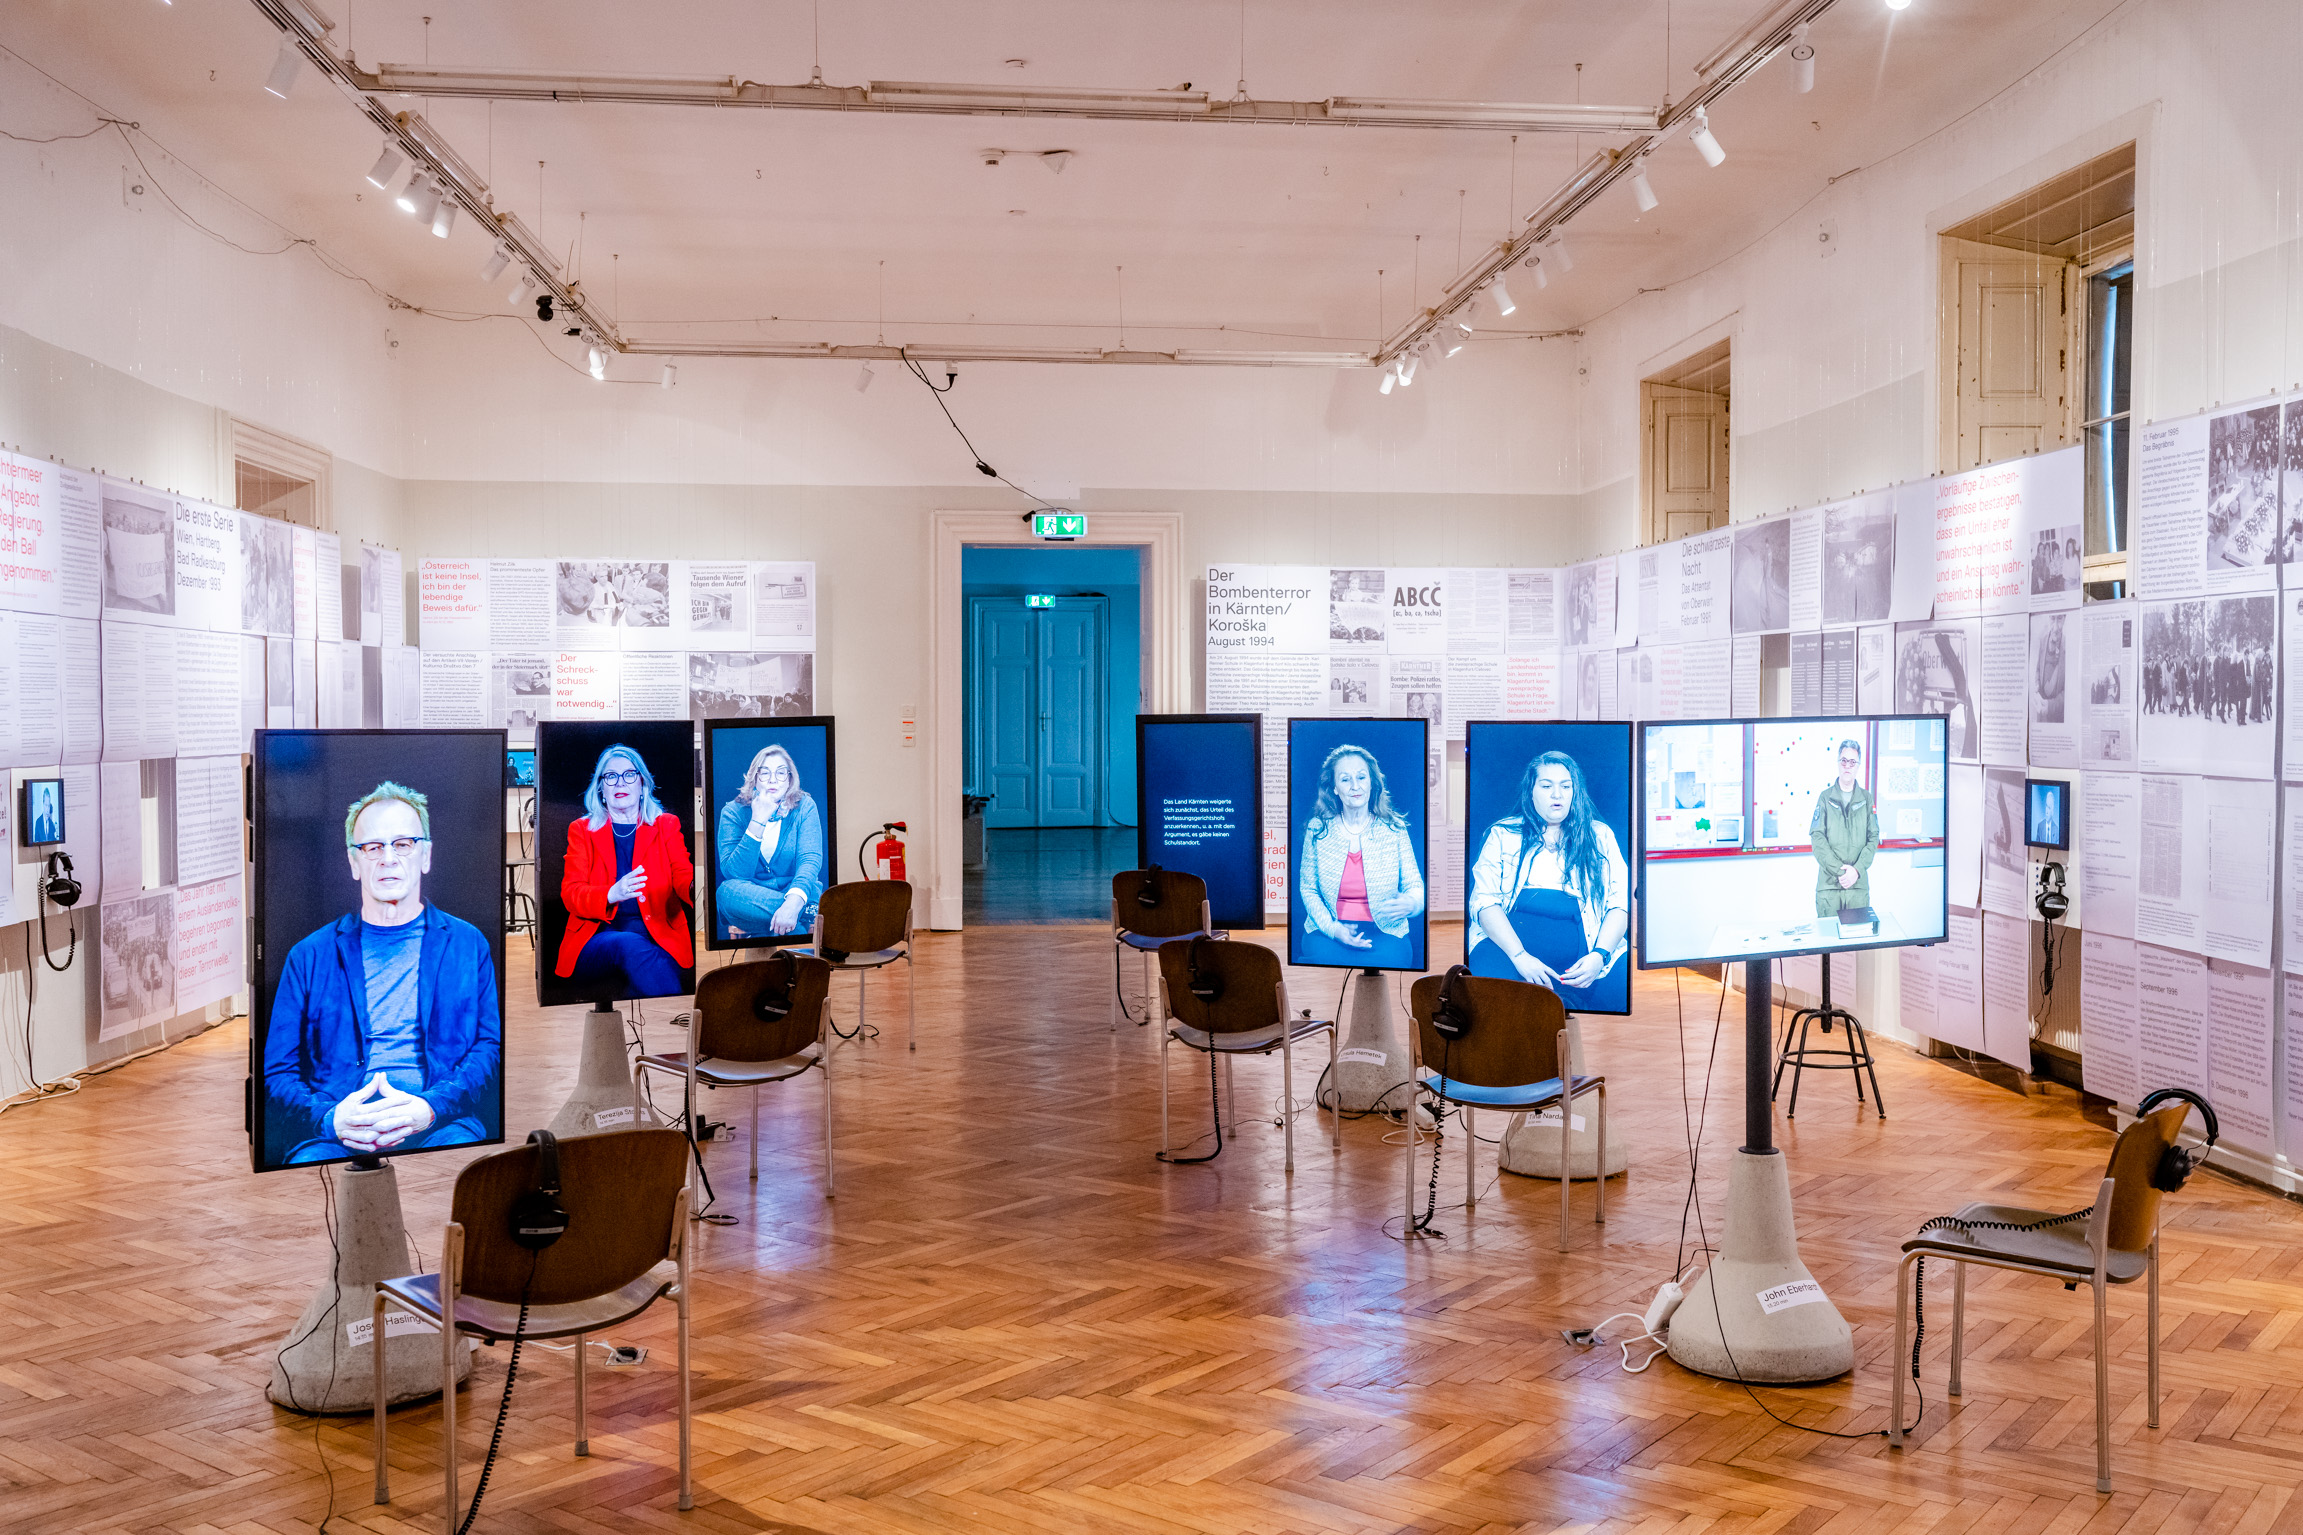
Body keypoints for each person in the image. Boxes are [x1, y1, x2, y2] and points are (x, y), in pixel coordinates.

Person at [261, 781, 501, 1166]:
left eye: (403, 844)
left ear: (425, 856)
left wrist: (430, 1106)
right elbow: (276, 1072)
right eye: (373, 847)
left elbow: (490, 1049)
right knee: (304, 1182)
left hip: (440, 1121)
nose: (388, 858)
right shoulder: (308, 956)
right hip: (339, 1129)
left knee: (470, 1176)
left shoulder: (468, 944)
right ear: (354, 863)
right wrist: (329, 1118)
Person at [1466, 750, 1629, 1012]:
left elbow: (1619, 905)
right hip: (1508, 952)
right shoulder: (1502, 834)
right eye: (1547, 786)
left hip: (1587, 957)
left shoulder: (1600, 836)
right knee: (1492, 996)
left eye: (1565, 786)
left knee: (1620, 985)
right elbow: (1484, 903)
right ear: (1531, 791)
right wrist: (1520, 957)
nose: (1557, 795)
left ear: (1575, 791)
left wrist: (1600, 956)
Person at [556, 744, 694, 996]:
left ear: (642, 784)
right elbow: (571, 893)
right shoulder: (582, 829)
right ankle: (681, 1016)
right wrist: (611, 893)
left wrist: (697, 890)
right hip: (597, 937)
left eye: (629, 775)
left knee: (642, 972)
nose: (620, 783)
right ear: (601, 788)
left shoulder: (666, 825)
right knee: (627, 943)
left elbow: (683, 876)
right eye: (611, 776)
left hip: (658, 931)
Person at [1297, 744, 1424, 968]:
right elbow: (1308, 889)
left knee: (1393, 959)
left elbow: (1415, 886)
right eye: (1345, 779)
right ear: (1334, 787)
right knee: (1319, 958)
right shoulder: (1317, 829)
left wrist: (1413, 903)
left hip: (1385, 931)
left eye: (1361, 777)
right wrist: (1334, 929)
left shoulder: (1395, 828)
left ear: (1372, 783)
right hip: (1328, 930)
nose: (1355, 786)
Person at [715, 743, 827, 940]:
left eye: (781, 772)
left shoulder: (804, 807)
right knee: (726, 892)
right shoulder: (732, 812)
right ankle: (805, 912)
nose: (773, 779)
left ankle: (794, 914)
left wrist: (793, 901)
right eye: (765, 773)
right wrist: (757, 820)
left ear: (790, 778)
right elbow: (735, 874)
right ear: (754, 778)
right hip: (750, 899)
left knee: (791, 908)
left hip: (794, 891)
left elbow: (810, 860)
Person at [1811, 738, 1879, 922]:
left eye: (1852, 762)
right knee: (1827, 943)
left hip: (1857, 887)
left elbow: (1873, 838)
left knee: (1858, 942)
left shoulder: (1866, 798)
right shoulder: (1825, 798)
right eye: (1843, 760)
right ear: (1838, 762)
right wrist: (1842, 873)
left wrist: (1855, 871)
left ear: (1858, 766)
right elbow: (1817, 839)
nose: (1847, 765)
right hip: (1830, 887)